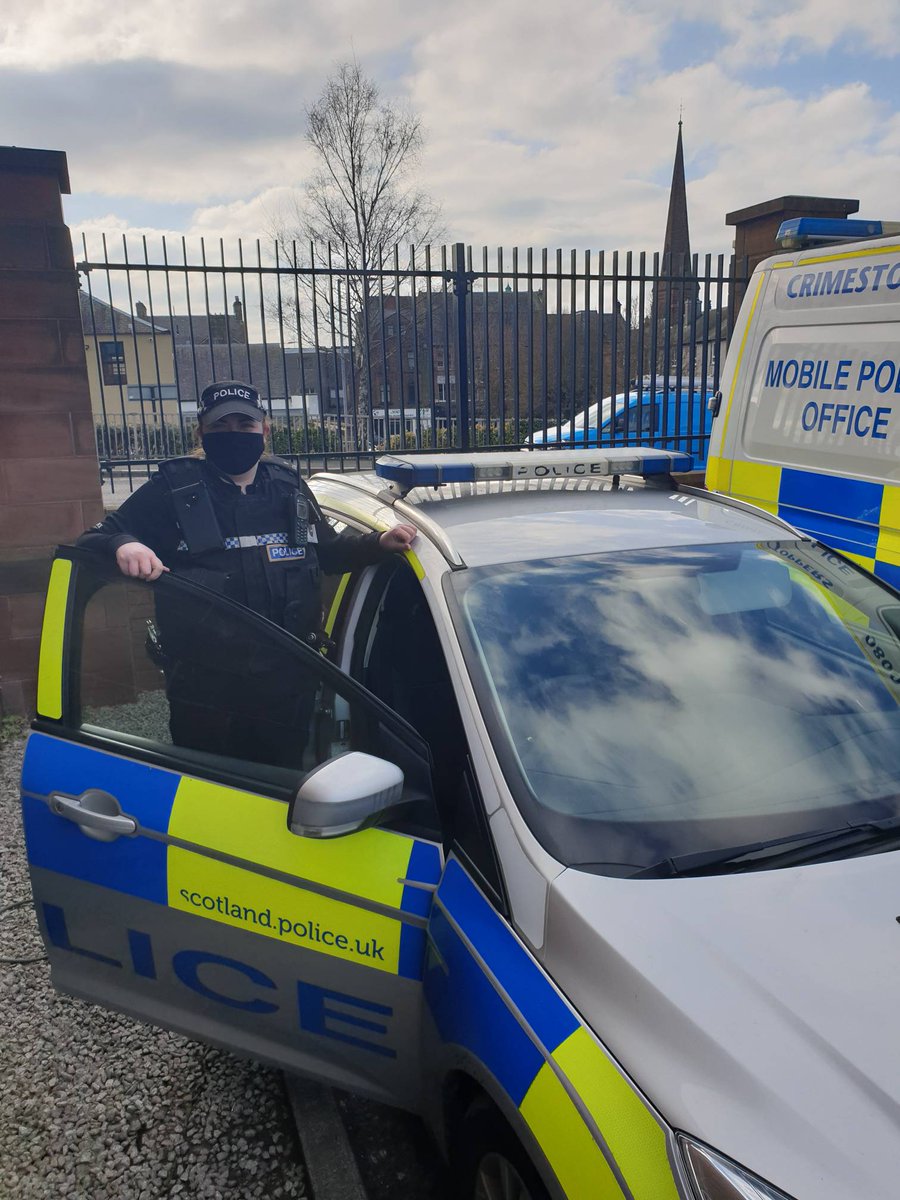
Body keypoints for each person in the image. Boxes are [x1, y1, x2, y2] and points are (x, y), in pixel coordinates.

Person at [77, 379, 417, 764]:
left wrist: (378, 543)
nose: (233, 435)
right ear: (201, 431)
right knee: (211, 784)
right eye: (221, 427)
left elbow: (329, 555)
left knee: (281, 777)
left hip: (287, 682)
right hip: (205, 692)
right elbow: (92, 541)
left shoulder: (288, 486)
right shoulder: (173, 490)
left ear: (264, 430)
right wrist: (124, 544)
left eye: (245, 425)